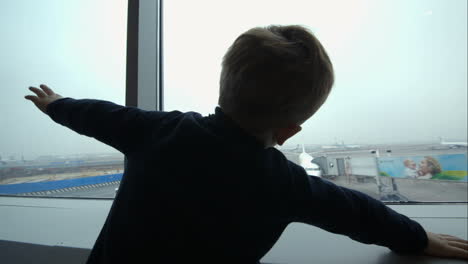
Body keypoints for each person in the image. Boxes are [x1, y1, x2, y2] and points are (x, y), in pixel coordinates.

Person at [25, 25, 467, 263]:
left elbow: (98, 114)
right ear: (289, 131)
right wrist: (418, 237)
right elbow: (358, 213)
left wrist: (57, 103)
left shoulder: (158, 130)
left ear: (223, 89)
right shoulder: (283, 183)